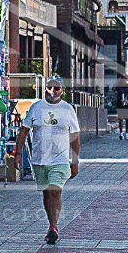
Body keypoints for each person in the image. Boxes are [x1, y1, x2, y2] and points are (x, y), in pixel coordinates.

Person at [16, 73, 80, 244]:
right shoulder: (36, 107)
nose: (53, 90)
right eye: (50, 87)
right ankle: (51, 224)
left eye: (56, 88)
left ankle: (53, 227)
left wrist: (75, 161)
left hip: (60, 159)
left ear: (62, 90)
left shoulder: (68, 109)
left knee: (54, 190)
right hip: (39, 159)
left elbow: (75, 136)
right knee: (46, 193)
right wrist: (18, 153)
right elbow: (24, 131)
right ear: (45, 88)